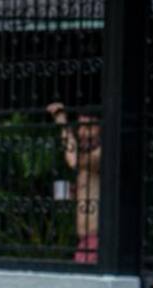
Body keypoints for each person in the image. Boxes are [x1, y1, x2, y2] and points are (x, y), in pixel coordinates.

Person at [46, 101, 101, 263]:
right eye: (81, 127)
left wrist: (62, 122)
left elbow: (73, 160)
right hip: (85, 242)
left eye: (89, 127)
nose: (82, 132)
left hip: (98, 241)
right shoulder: (89, 156)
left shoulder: (101, 154)